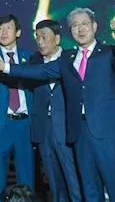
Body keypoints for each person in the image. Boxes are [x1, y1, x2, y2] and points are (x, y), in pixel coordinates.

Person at [0, 8, 115, 202]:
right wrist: (4, 66)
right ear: (70, 31)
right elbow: (40, 72)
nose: (80, 29)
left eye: (84, 24)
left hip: (105, 131)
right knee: (89, 188)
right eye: (75, 26)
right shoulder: (67, 59)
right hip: (78, 131)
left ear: (94, 26)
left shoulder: (107, 53)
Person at [0, 14, 35, 202]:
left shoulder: (30, 57)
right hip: (0, 126)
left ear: (18, 32)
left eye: (8, 28)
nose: (3, 32)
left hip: (25, 125)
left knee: (27, 178)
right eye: (0, 29)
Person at [28, 20, 82, 202]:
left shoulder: (71, 58)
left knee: (73, 179)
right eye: (37, 37)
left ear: (57, 39)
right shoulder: (33, 61)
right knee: (53, 182)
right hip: (44, 128)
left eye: (44, 37)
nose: (40, 41)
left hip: (66, 127)